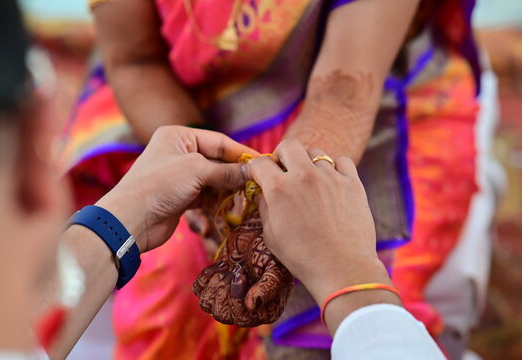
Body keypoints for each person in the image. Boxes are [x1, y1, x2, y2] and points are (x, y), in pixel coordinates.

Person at [60, 0, 487, 358]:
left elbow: (346, 85)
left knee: (347, 282)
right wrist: (198, 166)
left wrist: (283, 200)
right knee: (167, 299)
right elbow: (135, 58)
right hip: (195, 112)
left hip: (370, 112)